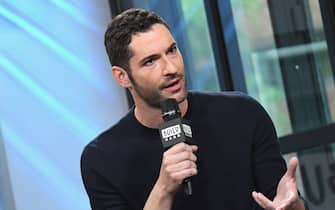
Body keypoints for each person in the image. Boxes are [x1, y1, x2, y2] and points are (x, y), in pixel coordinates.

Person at [81, 8, 308, 210]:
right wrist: (163, 189)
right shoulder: (102, 160)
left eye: (171, 50)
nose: (171, 68)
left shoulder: (243, 114)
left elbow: (281, 201)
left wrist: (294, 206)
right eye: (150, 61)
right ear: (122, 77)